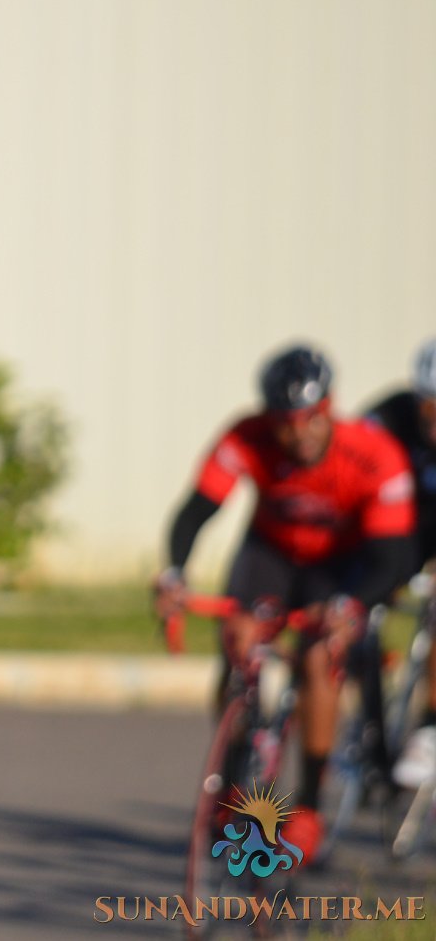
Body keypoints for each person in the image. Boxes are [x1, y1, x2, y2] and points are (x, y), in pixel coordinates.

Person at [154, 344, 415, 858]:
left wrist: (348, 605)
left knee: (320, 660)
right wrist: (174, 574)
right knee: (238, 640)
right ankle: (231, 779)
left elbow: (395, 556)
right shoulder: (245, 435)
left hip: (339, 564)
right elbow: (194, 512)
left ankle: (311, 807)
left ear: (330, 408)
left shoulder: (373, 454)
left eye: (309, 420)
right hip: (269, 553)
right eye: (284, 423)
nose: (297, 434)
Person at [363, 338, 436, 788]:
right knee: (361, 608)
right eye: (429, 408)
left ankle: (428, 725)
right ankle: (371, 729)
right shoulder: (385, 419)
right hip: (397, 528)